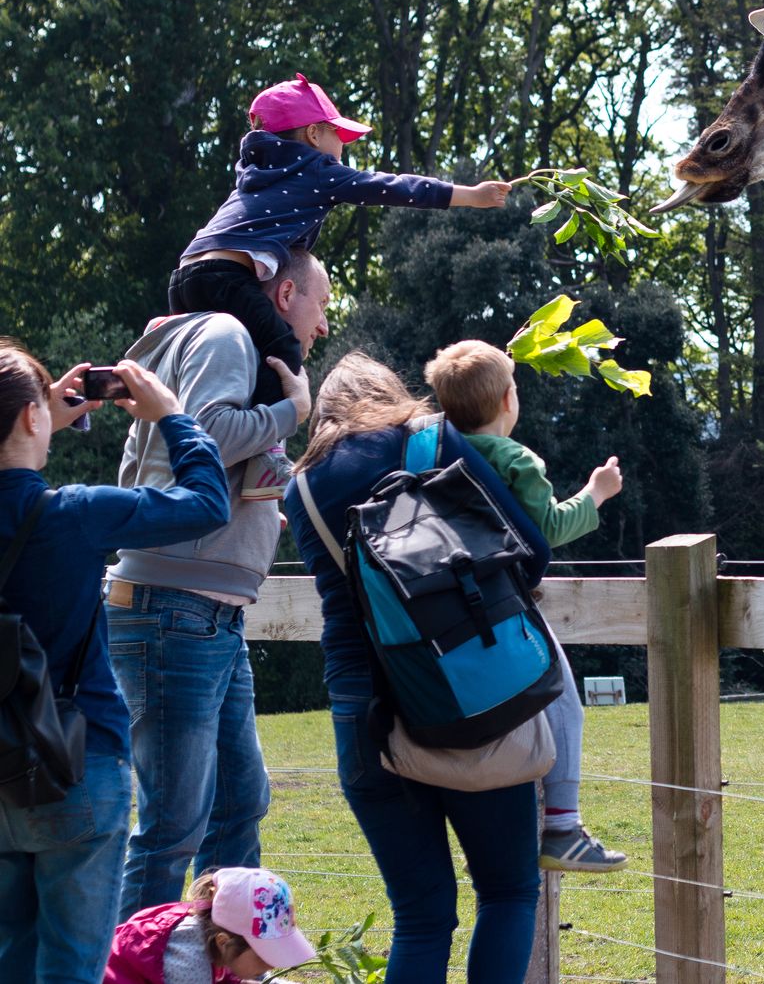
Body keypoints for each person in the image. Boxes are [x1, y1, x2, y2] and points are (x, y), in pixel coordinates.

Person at [284, 352, 551, 984]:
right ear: (390, 391)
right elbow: (529, 552)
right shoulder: (432, 439)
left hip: (364, 715)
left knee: (423, 918)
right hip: (470, 692)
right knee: (508, 892)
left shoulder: (301, 489)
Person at [108, 249, 330, 919]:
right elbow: (201, 433)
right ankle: (127, 967)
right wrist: (295, 409)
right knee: (175, 823)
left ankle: (219, 959)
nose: (321, 326)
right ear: (284, 292)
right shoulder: (228, 334)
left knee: (237, 801)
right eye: (321, 305)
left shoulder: (209, 339)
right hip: (176, 607)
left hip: (202, 612)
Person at [0, 344, 230, 984]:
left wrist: (35, 412)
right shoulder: (74, 515)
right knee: (73, 970)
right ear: (26, 419)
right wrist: (173, 416)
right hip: (76, 763)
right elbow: (207, 503)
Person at [174, 72, 511, 493]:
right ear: (313, 134)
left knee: (236, 361)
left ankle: (201, 442)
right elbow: (389, 188)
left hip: (187, 271)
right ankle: (267, 457)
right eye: (339, 136)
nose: (343, 150)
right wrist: (468, 195)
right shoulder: (316, 170)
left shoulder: (257, 173)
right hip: (226, 276)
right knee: (283, 351)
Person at [421, 340, 628, 874]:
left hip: (451, 608)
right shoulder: (516, 461)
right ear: (510, 399)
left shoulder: (431, 454)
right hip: (506, 603)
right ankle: (562, 824)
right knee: (563, 705)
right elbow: (550, 529)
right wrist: (597, 492)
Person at [103, 866, 317, 984]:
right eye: (263, 957)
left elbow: (256, 976)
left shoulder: (220, 932)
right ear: (224, 942)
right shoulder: (188, 962)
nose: (272, 966)